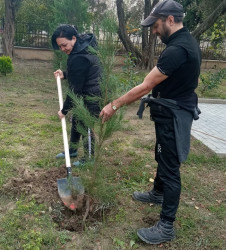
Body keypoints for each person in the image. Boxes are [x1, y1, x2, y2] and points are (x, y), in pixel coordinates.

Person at [99, 0, 201, 245]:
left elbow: (146, 85)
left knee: (170, 166)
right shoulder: (183, 42)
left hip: (174, 115)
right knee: (161, 154)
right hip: (169, 110)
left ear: (170, 20)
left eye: (155, 26)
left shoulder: (178, 49)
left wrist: (114, 104)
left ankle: (166, 226)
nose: (154, 31)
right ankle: (157, 192)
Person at [51, 24, 101, 167]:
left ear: (73, 38)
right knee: (77, 121)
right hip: (86, 90)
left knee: (86, 125)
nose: (62, 49)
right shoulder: (81, 47)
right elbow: (80, 74)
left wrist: (64, 111)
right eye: (60, 46)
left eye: (64, 45)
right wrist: (65, 74)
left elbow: (75, 90)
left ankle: (89, 158)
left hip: (92, 95)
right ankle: (72, 150)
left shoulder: (80, 56)